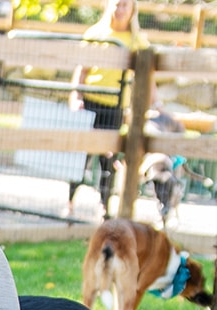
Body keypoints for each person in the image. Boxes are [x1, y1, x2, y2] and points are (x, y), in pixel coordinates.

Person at [67, 0, 149, 216]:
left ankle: (104, 205)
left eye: (125, 5)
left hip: (115, 105)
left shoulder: (136, 40)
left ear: (132, 10)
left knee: (108, 158)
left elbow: (146, 75)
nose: (120, 9)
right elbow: (82, 69)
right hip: (90, 102)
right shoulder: (96, 33)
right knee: (80, 156)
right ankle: (69, 202)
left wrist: (149, 105)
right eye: (117, 4)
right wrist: (76, 95)